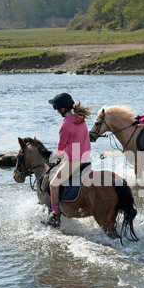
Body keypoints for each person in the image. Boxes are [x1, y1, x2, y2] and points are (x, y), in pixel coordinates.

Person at [46, 92, 92, 227]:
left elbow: (60, 149)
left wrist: (54, 157)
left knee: (54, 184)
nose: (56, 112)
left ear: (62, 109)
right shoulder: (81, 118)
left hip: (73, 162)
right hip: (86, 159)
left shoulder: (65, 125)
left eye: (57, 109)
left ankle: (55, 216)